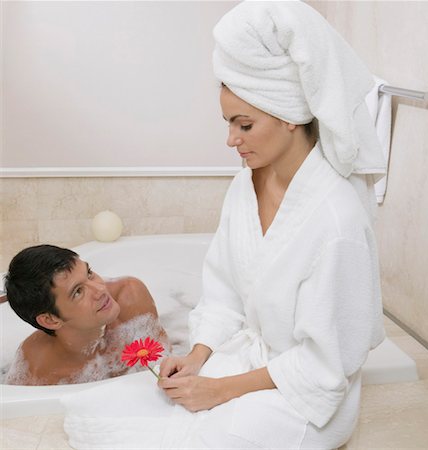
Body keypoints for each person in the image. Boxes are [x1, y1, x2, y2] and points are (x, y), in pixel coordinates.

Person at [62, 2, 386, 449]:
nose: (230, 139)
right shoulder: (245, 186)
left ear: (289, 114)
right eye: (228, 123)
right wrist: (198, 356)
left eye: (244, 124)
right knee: (107, 416)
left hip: (305, 396)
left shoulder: (336, 220)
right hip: (253, 360)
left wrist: (219, 390)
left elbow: (326, 366)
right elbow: (224, 290)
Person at [4, 244, 168, 385]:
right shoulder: (36, 372)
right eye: (78, 292)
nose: (100, 289)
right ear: (50, 320)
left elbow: (163, 364)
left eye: (89, 273)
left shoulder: (129, 295)